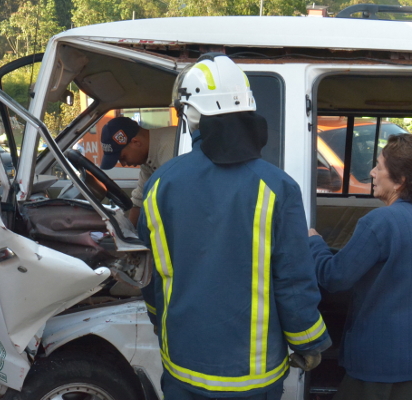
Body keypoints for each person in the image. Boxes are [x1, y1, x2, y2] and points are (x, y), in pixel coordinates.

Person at [138, 53, 331, 399]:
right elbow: (292, 280)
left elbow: (149, 273)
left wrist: (158, 320)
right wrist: (309, 341)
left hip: (183, 367)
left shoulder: (160, 184)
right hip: (254, 378)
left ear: (191, 114)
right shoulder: (277, 187)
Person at [309, 134, 412, 400]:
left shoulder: (381, 221)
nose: (372, 173)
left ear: (400, 180)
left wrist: (314, 243)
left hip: (379, 363)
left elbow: (335, 277)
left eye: (378, 166)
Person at [99, 117, 175, 226]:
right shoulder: (148, 158)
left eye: (123, 157)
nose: (124, 164)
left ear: (136, 142)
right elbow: (139, 199)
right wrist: (129, 232)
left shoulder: (171, 150)